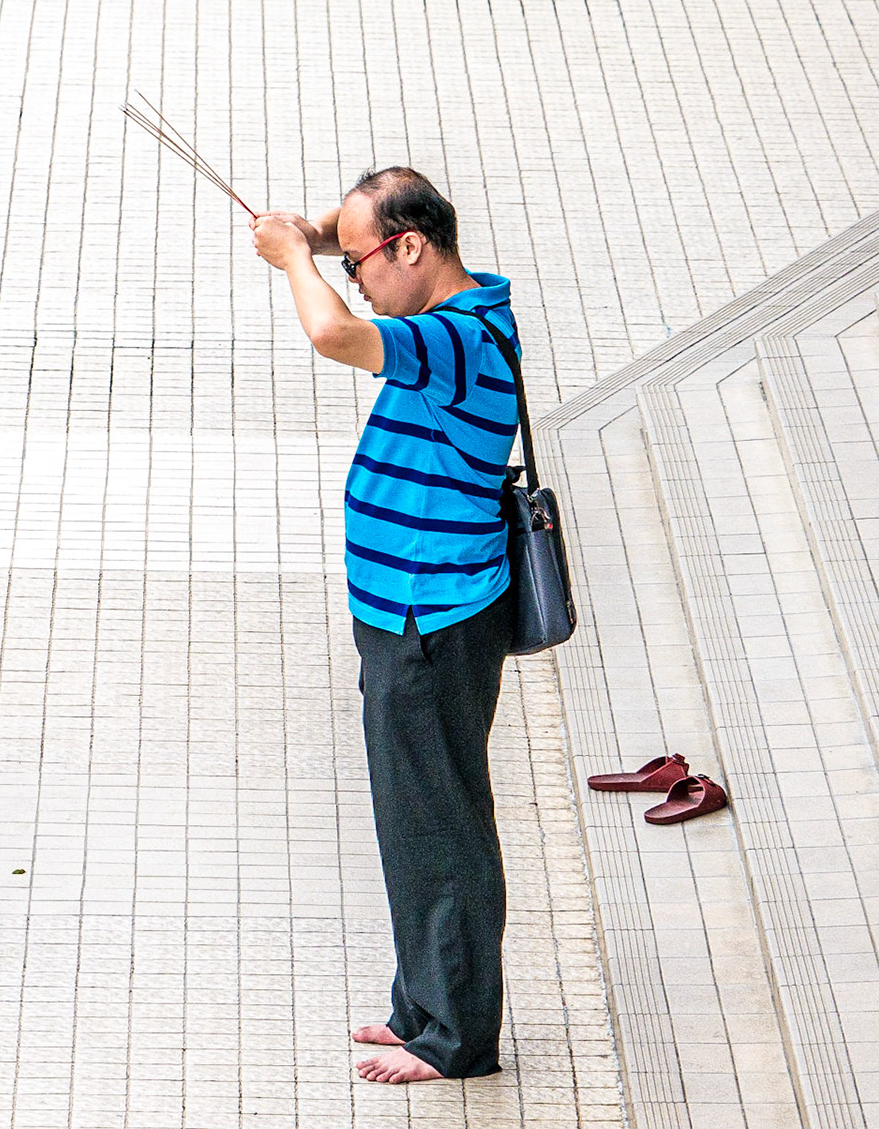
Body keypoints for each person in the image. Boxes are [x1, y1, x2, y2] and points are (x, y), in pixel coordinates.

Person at [250, 167, 520, 1084]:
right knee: (414, 820)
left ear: (411, 246)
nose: (350, 274)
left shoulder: (450, 337)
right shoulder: (468, 297)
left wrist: (293, 257)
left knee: (438, 827)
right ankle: (423, 1005)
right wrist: (312, 234)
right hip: (408, 609)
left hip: (431, 620)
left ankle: (455, 1038)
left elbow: (331, 331)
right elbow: (359, 240)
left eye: (360, 258)